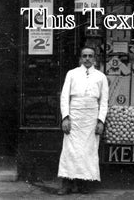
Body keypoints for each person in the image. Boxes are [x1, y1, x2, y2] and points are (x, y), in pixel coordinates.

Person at [57, 47, 109, 195]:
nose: (87, 58)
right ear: (80, 58)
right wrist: (65, 117)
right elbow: (64, 97)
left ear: (94, 59)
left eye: (90, 56)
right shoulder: (72, 74)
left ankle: (83, 184)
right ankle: (67, 184)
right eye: (84, 56)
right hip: (74, 116)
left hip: (91, 118)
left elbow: (104, 101)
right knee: (70, 150)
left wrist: (100, 121)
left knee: (88, 151)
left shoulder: (101, 77)